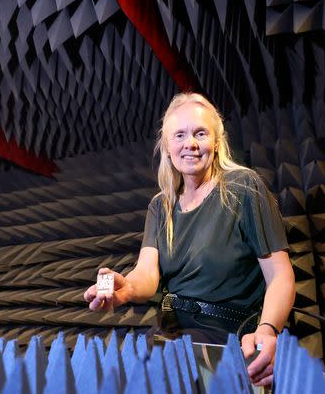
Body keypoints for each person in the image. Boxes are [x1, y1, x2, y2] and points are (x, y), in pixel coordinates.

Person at [83, 92, 295, 387]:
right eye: (179, 135)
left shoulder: (243, 188)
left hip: (227, 340)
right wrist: (127, 288)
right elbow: (148, 273)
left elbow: (281, 276)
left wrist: (268, 329)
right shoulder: (161, 205)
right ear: (167, 147)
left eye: (200, 133)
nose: (190, 144)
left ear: (217, 142)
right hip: (172, 335)